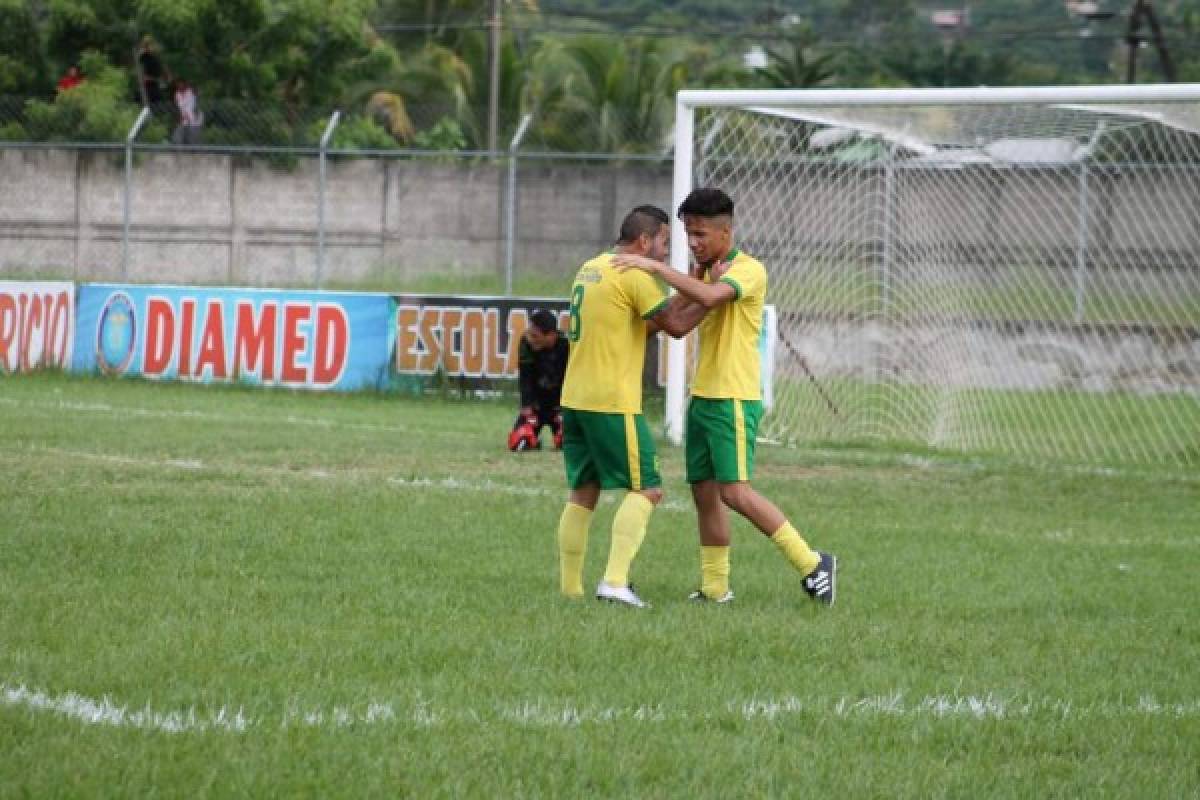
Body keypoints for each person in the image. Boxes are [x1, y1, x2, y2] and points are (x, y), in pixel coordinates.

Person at [614, 187, 838, 607]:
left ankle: (813, 563)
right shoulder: (700, 273)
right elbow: (676, 323)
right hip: (703, 398)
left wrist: (653, 267)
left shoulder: (749, 270)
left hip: (733, 399)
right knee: (704, 495)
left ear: (725, 231)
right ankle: (716, 588)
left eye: (700, 234)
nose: (693, 243)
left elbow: (716, 297)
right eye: (687, 235)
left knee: (735, 492)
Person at [556, 204, 697, 609]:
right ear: (643, 241)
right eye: (665, 243)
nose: (666, 254)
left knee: (583, 491)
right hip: (611, 401)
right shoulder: (634, 272)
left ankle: (570, 590)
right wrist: (712, 295)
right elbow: (675, 326)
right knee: (648, 488)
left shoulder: (591, 267)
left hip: (576, 398)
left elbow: (646, 323)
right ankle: (615, 582)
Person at [508, 309, 569, 452]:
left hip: (561, 406)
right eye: (529, 334)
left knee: (568, 444)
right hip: (536, 405)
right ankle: (533, 442)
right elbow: (525, 376)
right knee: (519, 442)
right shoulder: (526, 343)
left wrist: (567, 411)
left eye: (535, 336)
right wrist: (527, 407)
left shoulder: (567, 346)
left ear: (551, 335)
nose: (530, 339)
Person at [137, 36, 169, 105]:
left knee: (160, 101)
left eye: (151, 44)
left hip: (157, 84)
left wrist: (166, 76)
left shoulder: (155, 57)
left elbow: (162, 68)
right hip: (148, 86)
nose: (151, 47)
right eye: (148, 45)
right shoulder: (143, 57)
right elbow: (144, 75)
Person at [171, 79, 203, 145]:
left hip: (194, 118)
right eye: (178, 84)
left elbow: (199, 93)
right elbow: (177, 107)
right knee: (177, 137)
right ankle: (180, 151)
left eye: (181, 84)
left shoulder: (191, 91)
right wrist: (180, 116)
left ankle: (196, 151)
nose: (179, 86)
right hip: (183, 118)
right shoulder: (177, 94)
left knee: (193, 137)